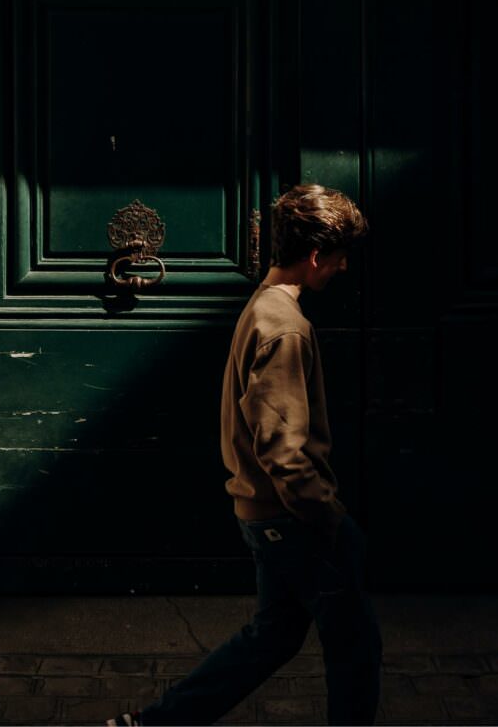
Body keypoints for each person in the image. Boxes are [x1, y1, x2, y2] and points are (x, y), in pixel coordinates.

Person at [107, 184, 383, 727]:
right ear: (314, 256)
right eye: (339, 256)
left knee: (272, 637)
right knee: (356, 645)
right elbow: (282, 447)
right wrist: (330, 516)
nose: (343, 267)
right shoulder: (286, 329)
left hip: (267, 515)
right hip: (292, 519)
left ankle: (156, 723)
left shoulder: (262, 306)